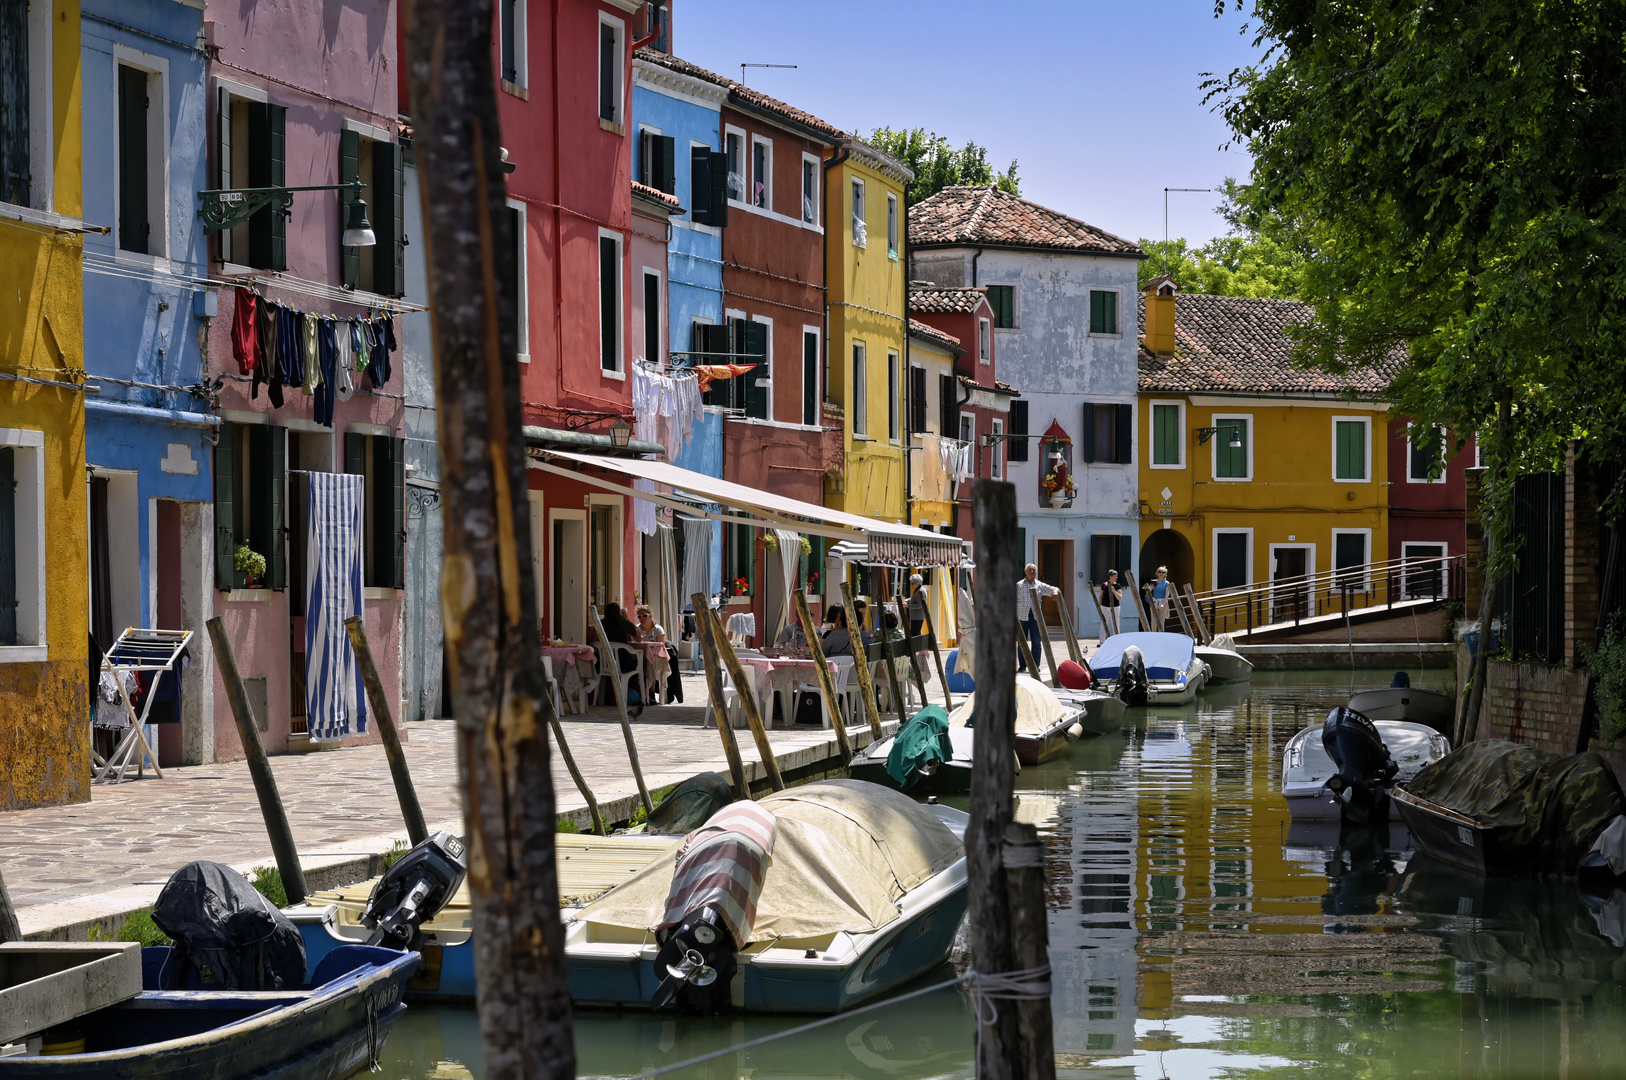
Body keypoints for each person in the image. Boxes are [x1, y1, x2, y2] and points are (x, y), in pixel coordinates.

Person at [599, 602, 644, 713]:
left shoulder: (601, 624)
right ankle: (643, 696)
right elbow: (639, 638)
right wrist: (626, 618)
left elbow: (596, 639)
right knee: (639, 662)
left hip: (604, 664)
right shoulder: (623, 623)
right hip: (623, 664)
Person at [1016, 563, 1059, 674]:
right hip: (1022, 616)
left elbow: (1054, 588)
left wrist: (1054, 592)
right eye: (1030, 570)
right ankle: (1022, 666)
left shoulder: (1039, 585)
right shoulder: (1019, 585)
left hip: (1035, 617)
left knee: (1036, 642)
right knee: (1022, 642)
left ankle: (1036, 665)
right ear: (1025, 572)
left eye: (1034, 570)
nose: (1032, 572)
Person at [636, 604, 682, 704]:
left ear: (650, 616)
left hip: (657, 657)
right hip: (640, 657)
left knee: (650, 663)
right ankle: (643, 694)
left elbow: (660, 647)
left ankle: (651, 693)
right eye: (639, 616)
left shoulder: (658, 629)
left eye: (644, 616)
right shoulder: (637, 629)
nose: (641, 618)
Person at [1099, 570, 1123, 637]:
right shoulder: (1104, 585)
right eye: (1115, 576)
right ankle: (1102, 641)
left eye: (1117, 576)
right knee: (1103, 623)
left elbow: (1120, 597)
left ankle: (1116, 639)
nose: (1116, 577)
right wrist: (1099, 606)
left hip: (1115, 607)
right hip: (1104, 607)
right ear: (1110, 576)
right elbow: (1101, 596)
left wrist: (1114, 591)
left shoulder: (1118, 586)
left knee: (1115, 624)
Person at [1147, 566, 1171, 632]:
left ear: (1165, 574)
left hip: (1162, 602)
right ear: (1157, 573)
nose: (1161, 574)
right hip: (1154, 602)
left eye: (1163, 572)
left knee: (1161, 622)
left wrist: (1163, 603)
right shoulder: (1154, 581)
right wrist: (1151, 588)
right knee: (1154, 621)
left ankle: (1161, 636)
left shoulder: (1167, 583)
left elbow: (1167, 594)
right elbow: (1148, 592)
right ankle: (1153, 635)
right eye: (1159, 572)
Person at [905, 573, 928, 639]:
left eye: (912, 584)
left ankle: (917, 648)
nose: (912, 585)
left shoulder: (920, 591)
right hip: (917, 616)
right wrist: (907, 600)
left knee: (915, 634)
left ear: (917, 583)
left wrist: (908, 605)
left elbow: (919, 605)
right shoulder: (919, 590)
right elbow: (913, 599)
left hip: (917, 617)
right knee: (915, 633)